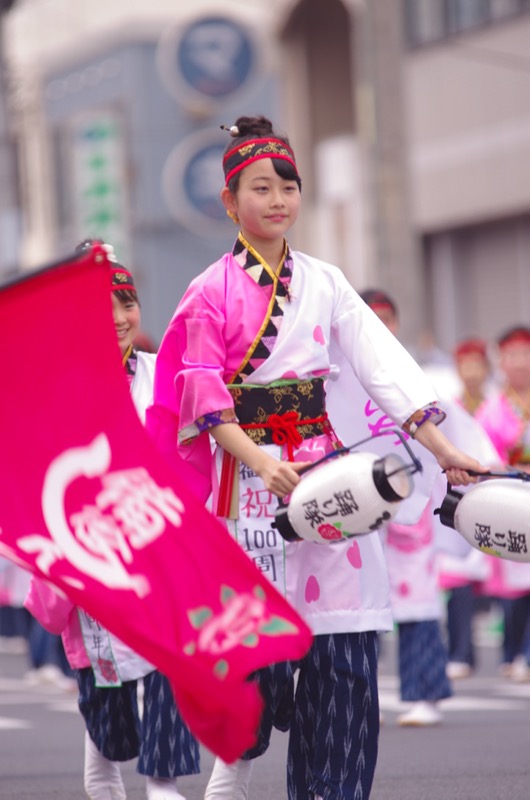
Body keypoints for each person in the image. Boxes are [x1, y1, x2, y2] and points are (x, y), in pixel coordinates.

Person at [146, 115, 486, 800]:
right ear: (230, 202)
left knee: (347, 654)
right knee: (262, 655)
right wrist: (261, 462)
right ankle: (238, 750)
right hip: (249, 483)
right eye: (261, 188)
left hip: (331, 479)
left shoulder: (326, 282)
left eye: (289, 187)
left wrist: (448, 451)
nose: (278, 200)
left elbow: (385, 366)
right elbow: (204, 398)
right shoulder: (209, 290)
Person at [25, 245, 200, 800]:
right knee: (108, 730)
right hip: (92, 574)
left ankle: (164, 789)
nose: (119, 317)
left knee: (168, 710)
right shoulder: (50, 392)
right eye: (101, 306)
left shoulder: (162, 377)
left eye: (126, 302)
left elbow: (195, 456)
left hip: (161, 568)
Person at [359, 290, 452, 726]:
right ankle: (360, 695)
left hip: (411, 511)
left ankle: (424, 694)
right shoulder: (341, 377)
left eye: (387, 319)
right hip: (362, 509)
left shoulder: (416, 377)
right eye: (370, 319)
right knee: (360, 607)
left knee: (417, 605)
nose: (381, 327)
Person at [475, 325, 530, 680]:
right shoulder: (492, 410)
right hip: (511, 500)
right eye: (512, 356)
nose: (521, 364)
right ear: (501, 361)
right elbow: (484, 455)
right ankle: (513, 652)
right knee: (515, 584)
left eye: (526, 355)